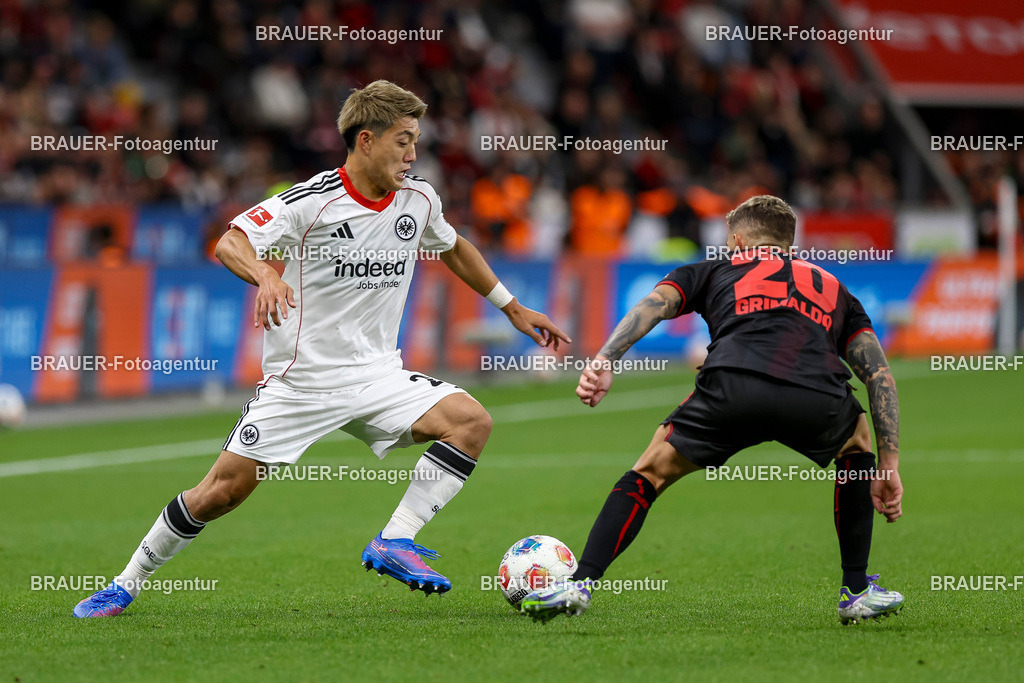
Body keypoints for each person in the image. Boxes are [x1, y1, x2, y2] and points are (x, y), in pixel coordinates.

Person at [73, 80, 569, 618]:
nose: (413, 153)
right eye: (403, 140)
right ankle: (127, 581)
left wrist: (511, 306)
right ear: (365, 140)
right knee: (220, 492)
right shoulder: (308, 203)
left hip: (378, 375)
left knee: (471, 422)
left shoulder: (419, 199)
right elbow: (229, 241)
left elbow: (453, 247)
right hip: (301, 383)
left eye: (416, 140)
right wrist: (265, 273)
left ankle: (394, 541)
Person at [520, 194, 903, 625]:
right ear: (789, 244)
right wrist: (886, 467)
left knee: (649, 471)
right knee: (857, 441)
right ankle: (855, 591)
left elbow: (655, 306)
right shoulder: (836, 289)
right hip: (813, 396)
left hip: (731, 387)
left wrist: (607, 358)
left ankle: (580, 583)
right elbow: (879, 375)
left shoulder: (714, 267)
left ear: (738, 240)